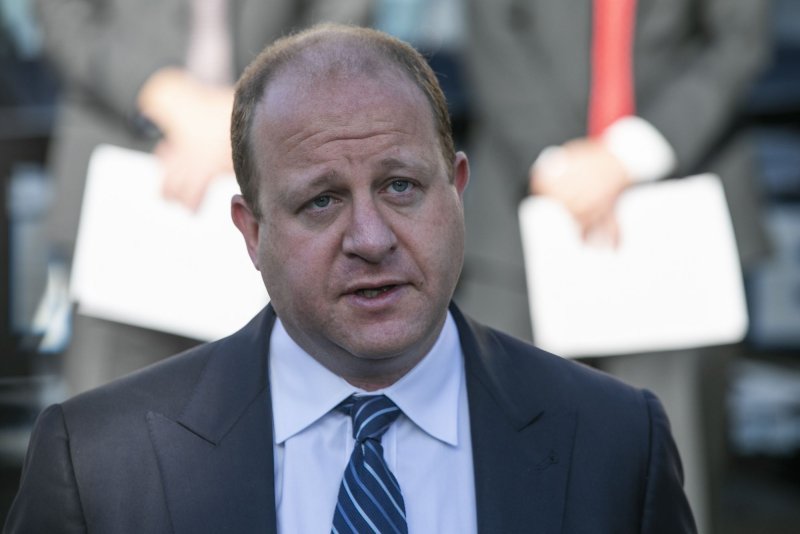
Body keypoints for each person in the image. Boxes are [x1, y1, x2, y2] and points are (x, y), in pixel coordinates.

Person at [4, 24, 696, 533]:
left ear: (456, 189)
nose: (370, 239)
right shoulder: (97, 461)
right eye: (321, 201)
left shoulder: (617, 440)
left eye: (400, 186)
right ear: (251, 231)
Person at [457, 2, 771, 532]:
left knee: (674, 470)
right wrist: (559, 163)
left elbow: (740, 39)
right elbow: (491, 29)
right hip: (515, 225)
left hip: (678, 215)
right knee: (503, 466)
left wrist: (625, 159)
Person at [33, 0, 371, 394]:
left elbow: (342, 16)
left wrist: (248, 115)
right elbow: (62, 14)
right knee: (108, 433)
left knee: (267, 430)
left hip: (273, 188)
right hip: (121, 198)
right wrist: (164, 96)